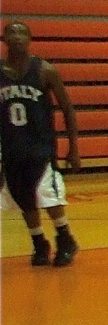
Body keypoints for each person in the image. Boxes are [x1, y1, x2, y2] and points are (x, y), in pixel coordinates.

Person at [1, 20, 79, 267]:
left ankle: (65, 239)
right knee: (24, 199)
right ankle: (39, 243)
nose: (16, 36)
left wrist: (74, 149)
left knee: (48, 196)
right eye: (11, 32)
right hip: (12, 148)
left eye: (21, 32)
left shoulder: (45, 70)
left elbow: (68, 110)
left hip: (40, 147)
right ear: (4, 39)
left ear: (30, 38)